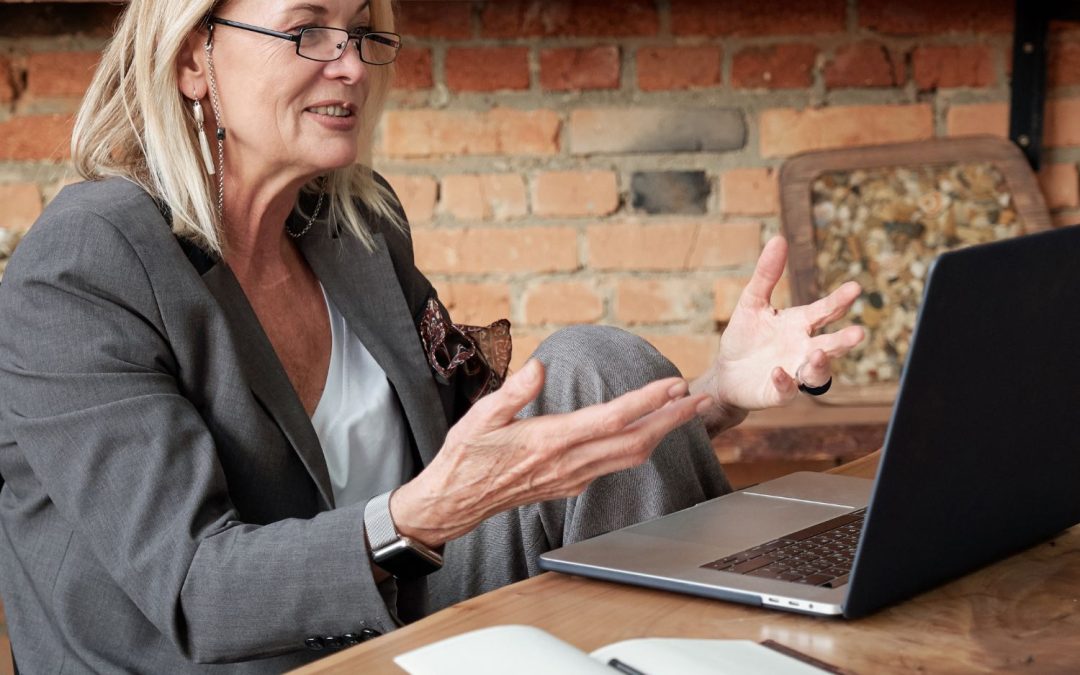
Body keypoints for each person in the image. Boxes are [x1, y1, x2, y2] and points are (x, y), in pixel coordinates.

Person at [0, 0, 864, 671]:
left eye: (362, 30)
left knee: (596, 362)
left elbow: (522, 460)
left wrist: (719, 389)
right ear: (195, 56)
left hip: (398, 626)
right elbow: (195, 591)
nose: (349, 62)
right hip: (233, 658)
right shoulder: (87, 263)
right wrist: (418, 515)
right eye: (307, 30)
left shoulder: (355, 228)